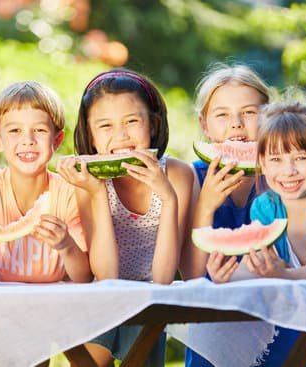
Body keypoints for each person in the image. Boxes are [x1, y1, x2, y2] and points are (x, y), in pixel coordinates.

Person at [56, 68, 195, 367]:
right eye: (105, 126)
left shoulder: (179, 175)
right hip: (101, 298)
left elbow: (163, 279)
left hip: (150, 301)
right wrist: (96, 194)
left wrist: (168, 198)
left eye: (132, 121)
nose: (121, 136)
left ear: (153, 124)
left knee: (143, 329)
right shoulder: (88, 181)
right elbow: (105, 276)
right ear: (91, 137)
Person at [178, 63, 274, 367]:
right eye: (222, 115)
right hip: (212, 330)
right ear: (204, 125)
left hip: (276, 325)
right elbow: (193, 275)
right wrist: (205, 205)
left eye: (249, 112)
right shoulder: (192, 178)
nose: (236, 124)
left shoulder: (285, 176)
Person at [0, 81, 92, 284]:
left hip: (52, 304)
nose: (28, 140)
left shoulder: (69, 192)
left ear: (57, 140)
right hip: (0, 304)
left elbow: (84, 276)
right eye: (15, 130)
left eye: (40, 130)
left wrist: (67, 246)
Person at [240, 100, 306, 366]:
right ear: (262, 163)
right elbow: (255, 266)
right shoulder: (266, 208)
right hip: (300, 332)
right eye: (276, 159)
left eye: (301, 158)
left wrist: (279, 274)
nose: (288, 170)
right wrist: (228, 275)